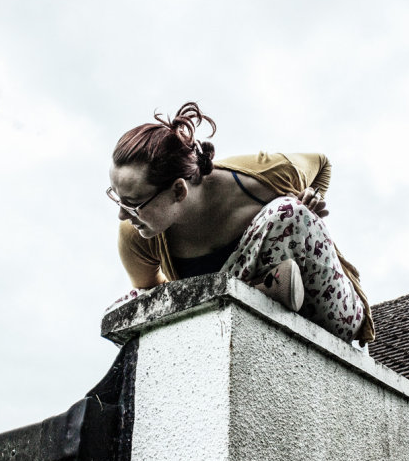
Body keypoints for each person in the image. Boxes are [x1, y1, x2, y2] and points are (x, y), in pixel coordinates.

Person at [106, 102, 374, 345]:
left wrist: (313, 196)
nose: (122, 214)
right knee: (131, 304)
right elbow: (151, 295)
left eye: (133, 202)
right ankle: (261, 290)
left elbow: (322, 164)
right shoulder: (136, 233)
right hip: (234, 329)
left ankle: (258, 291)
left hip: (336, 316)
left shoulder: (264, 176)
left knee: (289, 212)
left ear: (179, 191)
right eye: (116, 198)